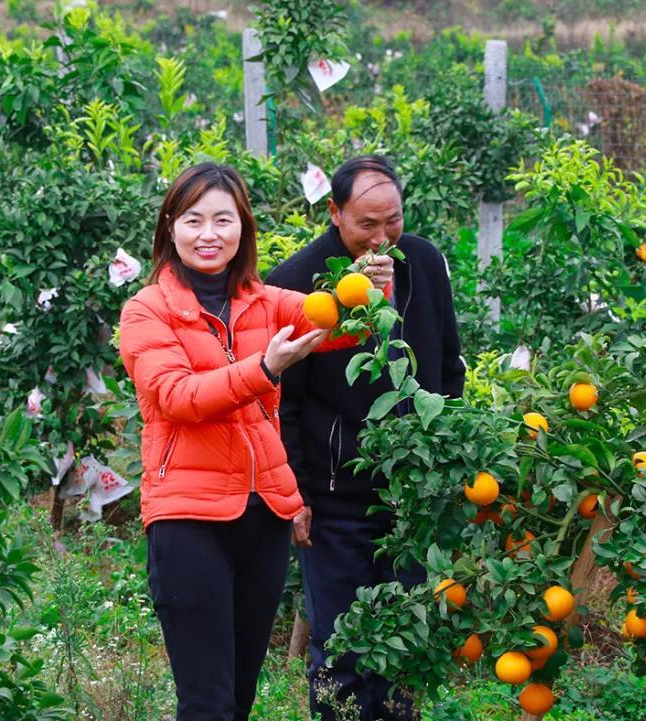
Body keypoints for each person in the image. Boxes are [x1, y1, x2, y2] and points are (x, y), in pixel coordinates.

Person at [117, 163, 390, 721]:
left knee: (239, 698)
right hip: (188, 520)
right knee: (207, 701)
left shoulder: (264, 302)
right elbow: (178, 396)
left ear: (243, 227)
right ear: (170, 227)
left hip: (262, 515)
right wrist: (264, 367)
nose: (209, 233)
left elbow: (340, 326)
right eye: (194, 220)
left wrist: (370, 289)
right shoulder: (147, 311)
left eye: (223, 218)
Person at [265, 155, 465, 721]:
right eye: (366, 225)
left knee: (405, 643)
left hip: (415, 495)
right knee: (343, 643)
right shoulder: (300, 283)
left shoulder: (422, 262)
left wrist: (444, 458)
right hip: (336, 497)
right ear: (334, 213)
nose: (382, 237)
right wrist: (297, 493)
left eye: (393, 221)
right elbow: (286, 403)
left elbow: (448, 366)